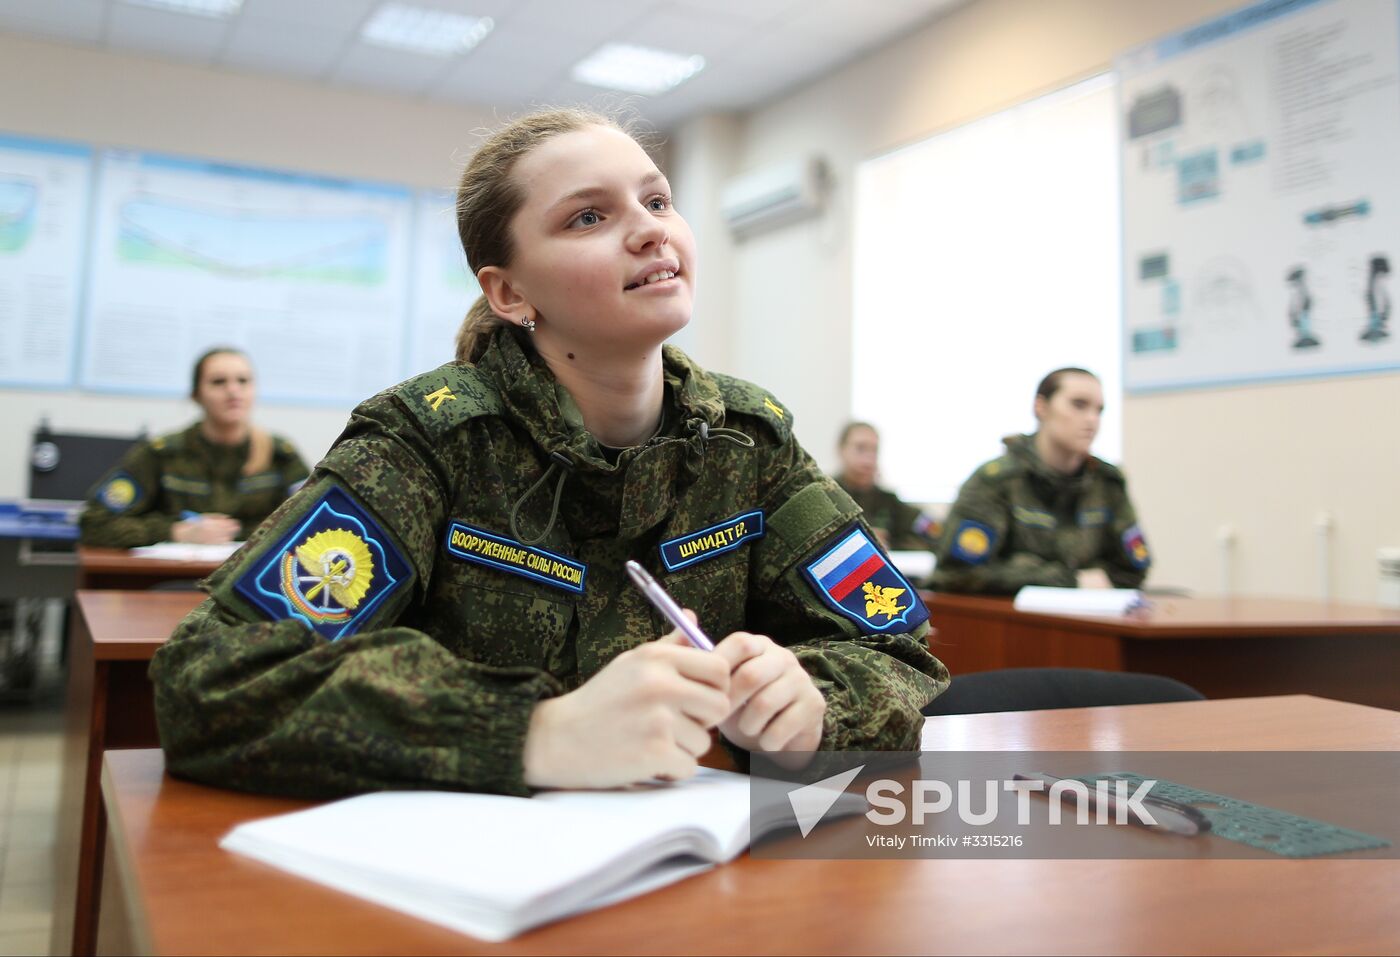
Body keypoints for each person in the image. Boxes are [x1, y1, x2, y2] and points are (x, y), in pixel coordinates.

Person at [149, 109, 949, 799]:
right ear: (509, 293)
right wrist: (537, 729)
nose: (649, 229)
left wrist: (813, 706)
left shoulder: (750, 440)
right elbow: (213, 679)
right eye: (588, 218)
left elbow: (899, 654)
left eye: (657, 199)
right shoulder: (429, 439)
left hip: (689, 867)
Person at [931, 367, 1150, 595]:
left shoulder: (1107, 482)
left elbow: (1132, 569)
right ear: (1041, 407)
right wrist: (1066, 580)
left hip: (1090, 620)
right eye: (1078, 405)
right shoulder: (997, 481)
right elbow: (955, 574)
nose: (1092, 420)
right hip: (1013, 623)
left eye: (1099, 410)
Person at [79, 348, 309, 548]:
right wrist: (175, 532)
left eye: (243, 381)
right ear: (196, 395)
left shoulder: (281, 455)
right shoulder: (163, 454)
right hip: (171, 581)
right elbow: (95, 521)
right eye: (218, 382)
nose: (233, 391)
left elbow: (316, 521)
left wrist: (245, 534)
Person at [833, 421, 940, 551]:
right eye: (860, 448)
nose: (868, 459)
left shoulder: (889, 501)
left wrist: (890, 546)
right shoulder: (825, 496)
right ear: (841, 449)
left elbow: (934, 533)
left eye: (874, 450)